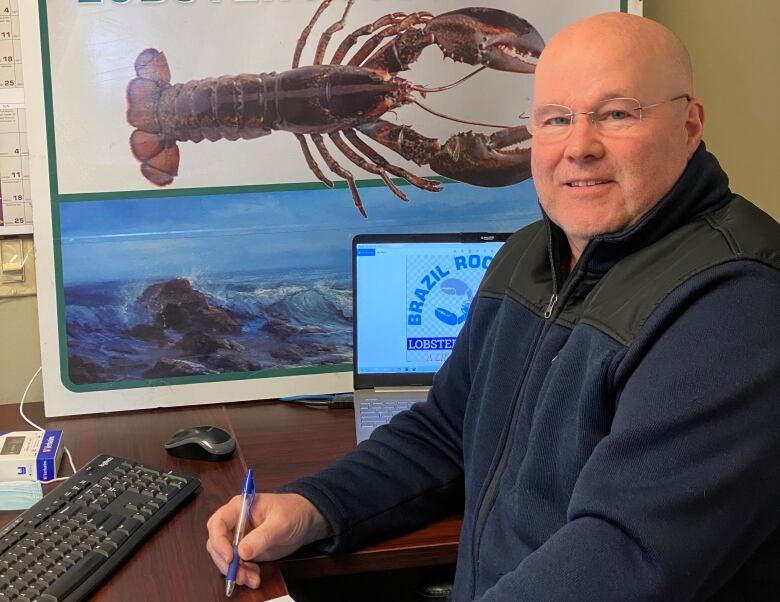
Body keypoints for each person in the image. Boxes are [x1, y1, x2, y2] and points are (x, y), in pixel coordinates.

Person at [207, 12, 780, 601]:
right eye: (555, 119)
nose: (579, 147)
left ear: (690, 125)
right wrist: (314, 505)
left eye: (616, 113)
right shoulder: (532, 254)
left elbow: (624, 558)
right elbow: (447, 432)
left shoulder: (738, 300)